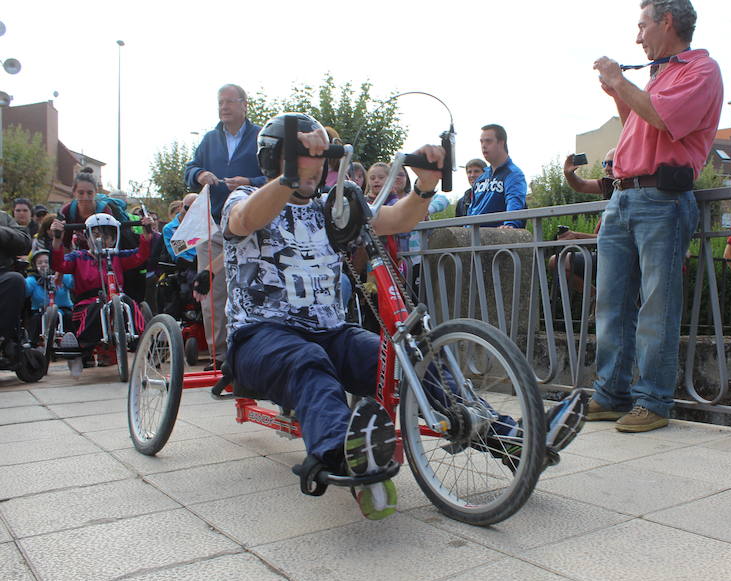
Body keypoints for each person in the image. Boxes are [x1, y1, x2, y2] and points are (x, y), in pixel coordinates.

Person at [220, 113, 584, 519]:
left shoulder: (332, 205)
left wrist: (425, 186)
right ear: (276, 161)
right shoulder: (243, 199)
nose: (314, 166)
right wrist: (291, 175)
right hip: (261, 337)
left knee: (411, 358)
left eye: (317, 158)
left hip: (331, 332)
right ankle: (344, 455)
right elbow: (245, 221)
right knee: (308, 362)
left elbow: (395, 220)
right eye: (301, 157)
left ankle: (511, 438)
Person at [587, 0, 723, 433]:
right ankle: (611, 395)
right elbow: (640, 122)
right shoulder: (661, 74)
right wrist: (620, 93)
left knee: (655, 308)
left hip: (662, 198)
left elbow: (664, 118)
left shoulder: (701, 70)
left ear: (667, 22)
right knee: (610, 304)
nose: (637, 36)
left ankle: (653, 401)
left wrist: (618, 81)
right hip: (626, 197)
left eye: (642, 25)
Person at [183, 84, 266, 370]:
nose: (224, 107)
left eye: (230, 101)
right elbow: (189, 170)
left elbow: (276, 177)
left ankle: (247, 355)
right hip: (214, 223)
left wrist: (250, 183)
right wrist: (200, 174)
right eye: (220, 102)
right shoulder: (209, 140)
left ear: (245, 105)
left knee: (248, 288)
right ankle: (219, 358)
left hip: (250, 223)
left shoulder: (260, 137)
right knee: (212, 290)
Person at [50, 213, 154, 375]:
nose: (102, 240)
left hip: (116, 300)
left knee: (127, 299)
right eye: (97, 235)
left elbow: (141, 255)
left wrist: (147, 234)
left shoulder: (117, 257)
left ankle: (144, 337)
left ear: (115, 238)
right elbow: (59, 264)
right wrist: (57, 239)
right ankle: (81, 347)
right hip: (88, 305)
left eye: (108, 236)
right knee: (98, 306)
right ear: (88, 236)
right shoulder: (79, 257)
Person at [554, 147, 616, 293]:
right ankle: (597, 299)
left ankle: (599, 301)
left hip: (619, 255)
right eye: (604, 164)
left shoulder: (631, 189)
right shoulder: (610, 185)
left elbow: (614, 238)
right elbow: (581, 185)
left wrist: (577, 236)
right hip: (606, 253)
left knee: (559, 262)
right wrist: (568, 174)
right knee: (558, 262)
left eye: (612, 163)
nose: (607, 168)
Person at [466, 125, 526, 228]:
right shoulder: (481, 178)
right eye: (481, 142)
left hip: (494, 237)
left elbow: (515, 203)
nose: (483, 146)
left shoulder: (513, 174)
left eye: (488, 141)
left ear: (501, 143)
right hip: (471, 236)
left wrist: (510, 224)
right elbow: (472, 210)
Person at [23, 249, 75, 342]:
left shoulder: (60, 276)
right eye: (39, 263)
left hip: (63, 310)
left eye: (46, 262)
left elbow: (73, 283)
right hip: (41, 312)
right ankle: (32, 343)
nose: (43, 265)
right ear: (35, 265)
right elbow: (25, 290)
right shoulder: (33, 280)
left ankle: (72, 341)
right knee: (36, 319)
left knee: (69, 317)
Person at [0, 210, 31, 360]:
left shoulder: (3, 217)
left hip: (2, 275)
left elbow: (25, 243)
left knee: (15, 280)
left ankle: (3, 339)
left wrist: (3, 233)